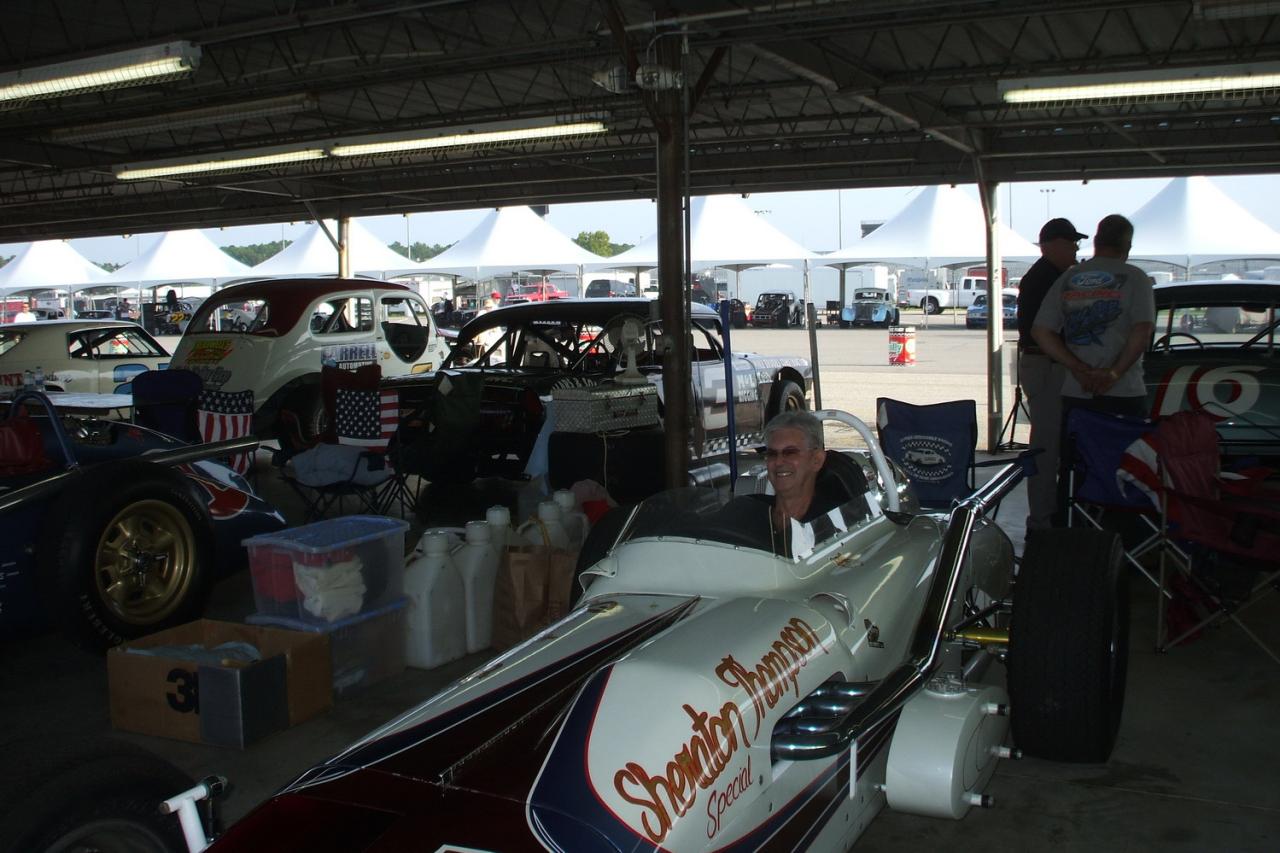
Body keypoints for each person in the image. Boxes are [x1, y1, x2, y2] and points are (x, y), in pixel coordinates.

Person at [1031, 213, 1156, 523]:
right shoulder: (1136, 278)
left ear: (1097, 242)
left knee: (1075, 469)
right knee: (1126, 469)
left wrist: (1077, 367)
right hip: (1125, 393)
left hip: (1077, 393)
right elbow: (1142, 331)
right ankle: (1121, 535)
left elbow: (1041, 331)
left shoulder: (1069, 278)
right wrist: (1113, 373)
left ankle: (1074, 533)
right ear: (1127, 246)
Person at [1017, 217, 1087, 532]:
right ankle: (1042, 522)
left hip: (1050, 365)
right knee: (1046, 449)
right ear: (1052, 245)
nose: (1076, 248)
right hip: (1046, 365)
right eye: (1071, 242)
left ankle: (1051, 515)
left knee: (1053, 445)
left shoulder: (1052, 276)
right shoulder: (1045, 279)